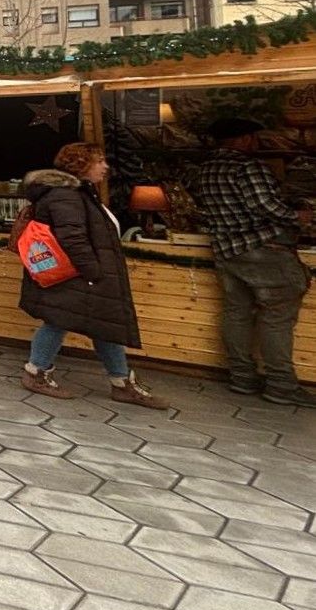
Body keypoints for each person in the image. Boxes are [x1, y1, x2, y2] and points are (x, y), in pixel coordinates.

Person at [16, 142, 169, 408]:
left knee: (99, 323)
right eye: (99, 161)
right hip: (76, 273)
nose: (105, 167)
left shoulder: (77, 192)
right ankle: (37, 373)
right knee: (60, 320)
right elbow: (72, 237)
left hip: (81, 272)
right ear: (80, 164)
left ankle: (120, 381)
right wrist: (93, 271)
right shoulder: (66, 195)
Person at [189, 118, 315, 407]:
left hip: (226, 251)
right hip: (263, 248)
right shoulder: (247, 167)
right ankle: (281, 383)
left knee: (236, 313)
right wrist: (298, 217)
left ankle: (242, 376)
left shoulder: (206, 168)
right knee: (277, 316)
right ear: (244, 139)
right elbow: (265, 205)